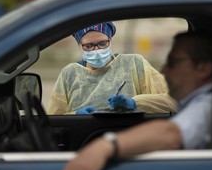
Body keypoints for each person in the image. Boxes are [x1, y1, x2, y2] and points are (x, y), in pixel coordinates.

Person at [60, 32, 212, 170]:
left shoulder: (208, 106)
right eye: (89, 45)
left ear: (203, 69)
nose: (163, 70)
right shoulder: (69, 73)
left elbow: (171, 133)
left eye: (173, 62)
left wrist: (104, 147)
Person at [47, 22, 176, 114]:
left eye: (102, 43)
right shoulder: (69, 74)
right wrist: (76, 115)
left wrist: (135, 103)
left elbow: (173, 101)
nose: (97, 50)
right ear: (80, 45)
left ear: (110, 40)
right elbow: (53, 119)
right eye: (89, 46)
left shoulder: (134, 64)